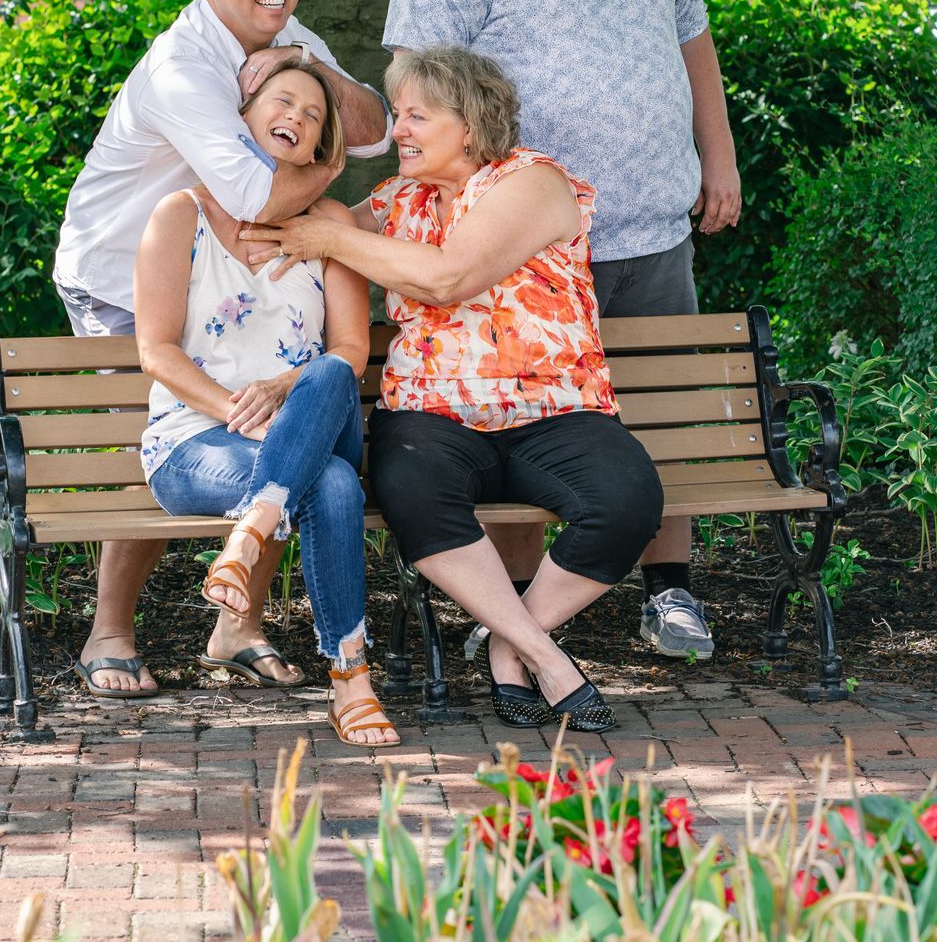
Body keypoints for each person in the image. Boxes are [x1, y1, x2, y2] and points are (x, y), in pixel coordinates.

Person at [380, 0, 739, 660]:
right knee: (525, 417)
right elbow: (416, 76)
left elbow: (693, 43)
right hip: (523, 247)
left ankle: (671, 593)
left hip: (650, 225)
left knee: (661, 415)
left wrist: (719, 157)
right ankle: (512, 615)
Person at [245, 46, 663, 733]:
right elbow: (294, 220)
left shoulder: (531, 181)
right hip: (431, 415)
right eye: (398, 114)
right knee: (411, 489)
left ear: (469, 125)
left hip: (553, 409)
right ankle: (543, 657)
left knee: (626, 500)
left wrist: (330, 236)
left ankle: (510, 640)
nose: (398, 129)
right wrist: (310, 178)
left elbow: (448, 277)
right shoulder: (395, 203)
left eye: (417, 116)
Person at [53, 0, 389, 699]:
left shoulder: (290, 41)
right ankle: (110, 631)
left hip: (251, 269)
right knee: (153, 445)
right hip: (135, 266)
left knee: (283, 412)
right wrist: (328, 158)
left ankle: (235, 623)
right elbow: (250, 193)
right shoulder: (182, 67)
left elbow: (373, 127)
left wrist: (314, 81)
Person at [133, 60, 397, 747]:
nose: (299, 117)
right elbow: (157, 351)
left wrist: (286, 388)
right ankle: (352, 683)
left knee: (330, 374)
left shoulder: (332, 224)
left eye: (315, 117)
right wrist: (235, 409)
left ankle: (255, 525)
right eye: (285, 101)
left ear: (317, 154)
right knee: (332, 484)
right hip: (197, 439)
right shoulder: (178, 215)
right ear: (245, 117)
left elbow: (349, 351)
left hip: (311, 419)